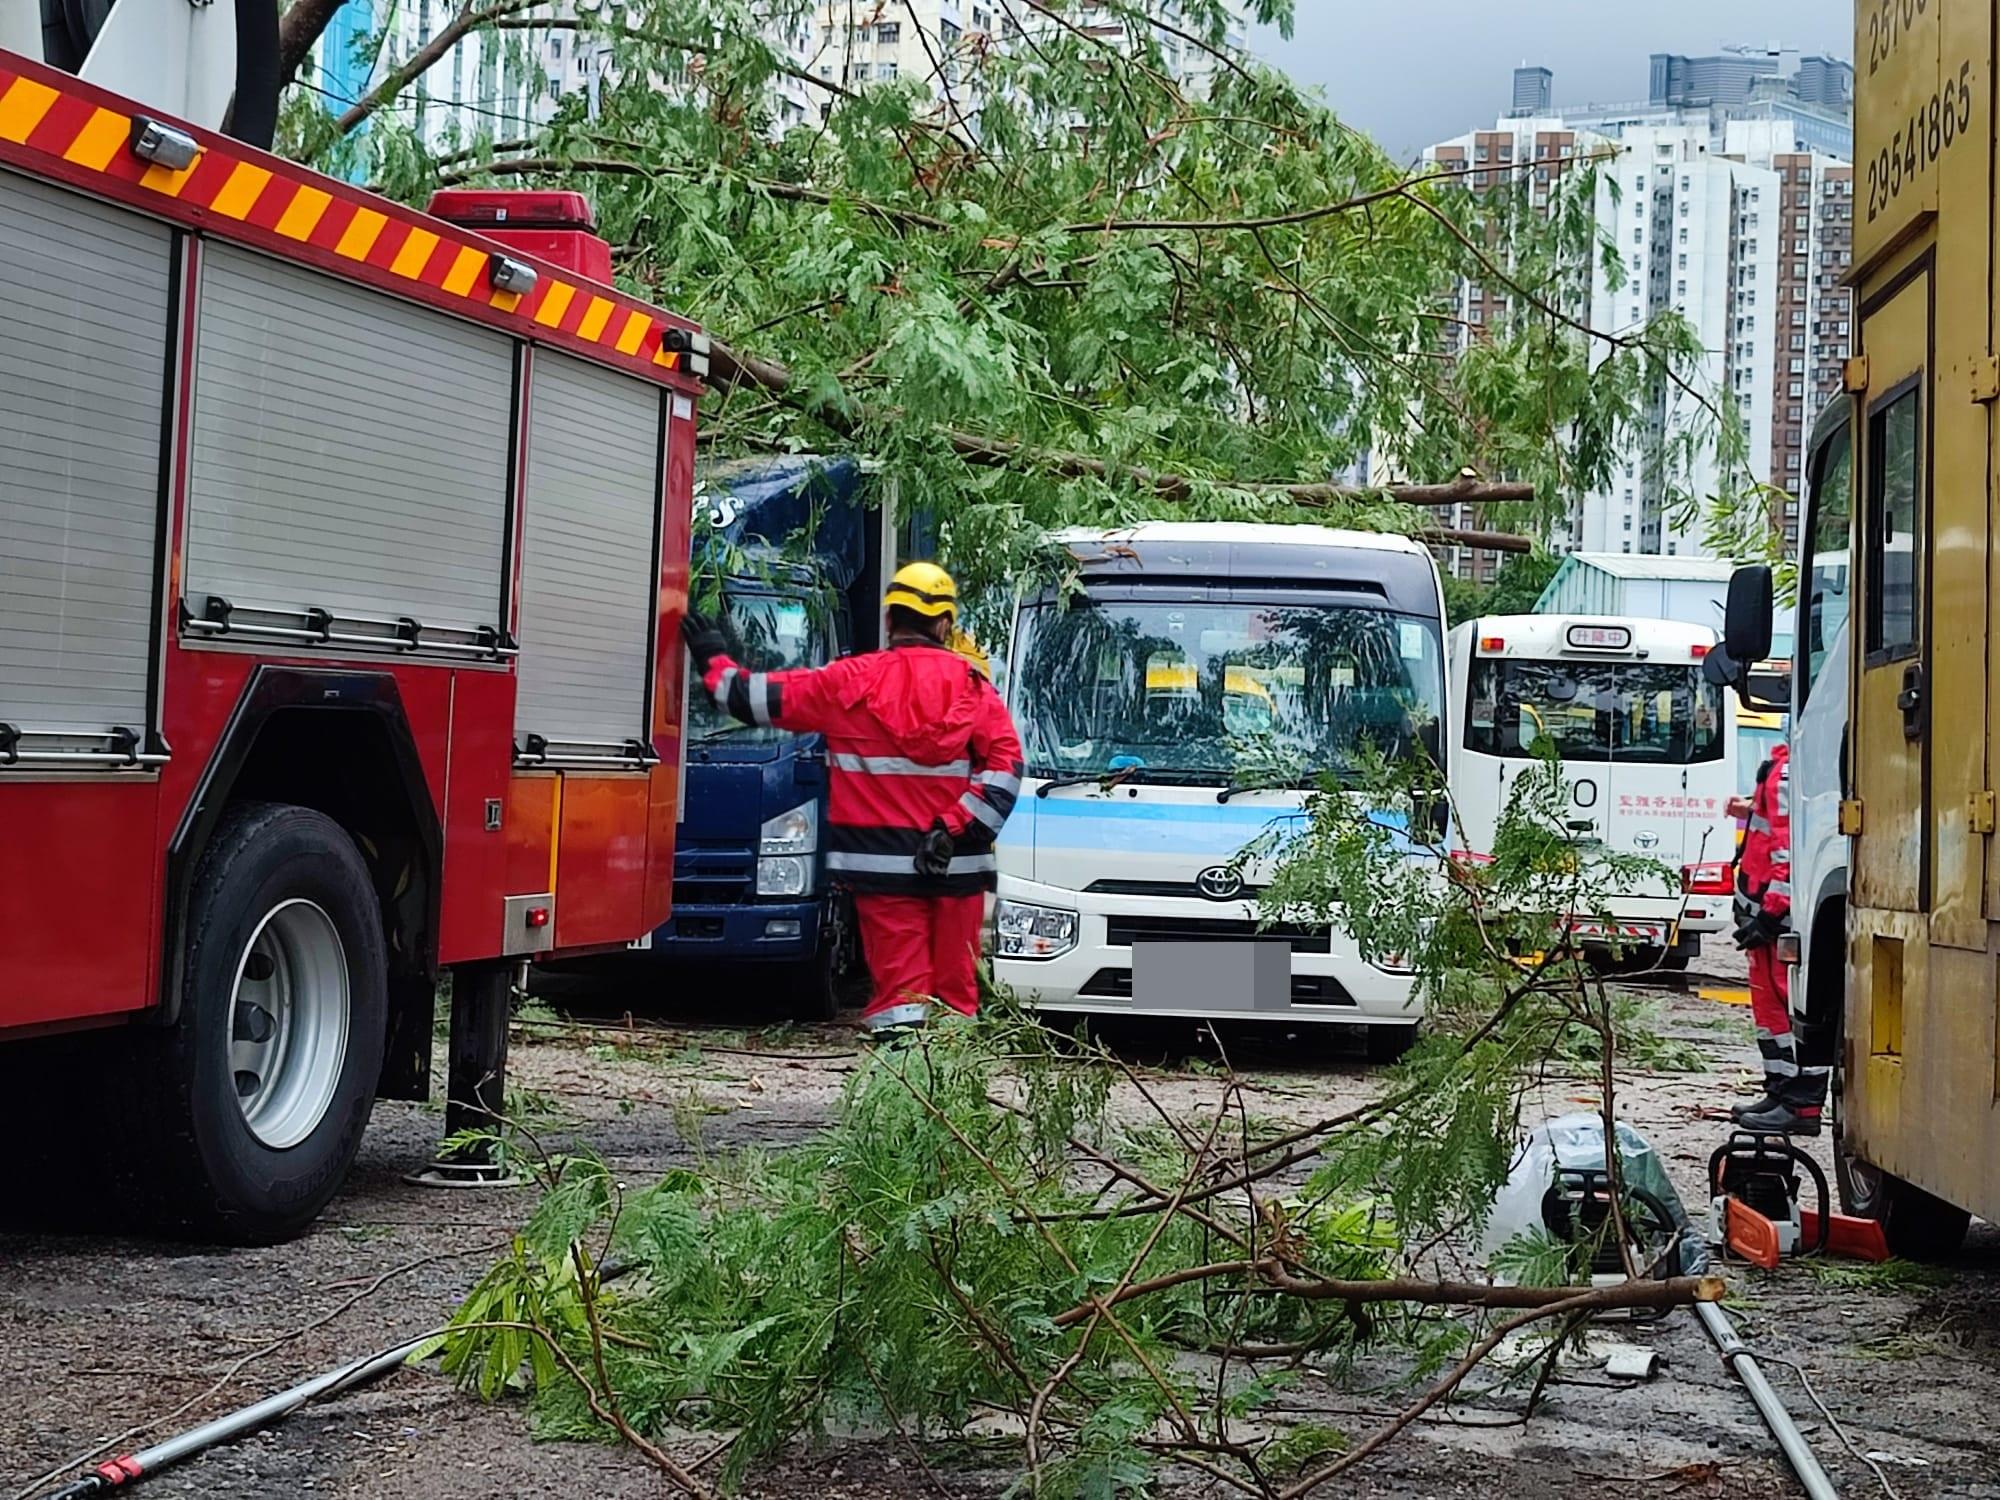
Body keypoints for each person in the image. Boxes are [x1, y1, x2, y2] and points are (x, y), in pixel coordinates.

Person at [682, 562, 1024, 1035]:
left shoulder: (846, 682)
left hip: (882, 871)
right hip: (956, 870)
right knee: (955, 998)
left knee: (902, 996)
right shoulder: (974, 690)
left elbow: (746, 698)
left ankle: (903, 1093)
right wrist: (954, 826)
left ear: (890, 621)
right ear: (945, 623)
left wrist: (712, 656)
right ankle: (951, 1095)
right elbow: (1006, 769)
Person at [1731, 742, 1826, 1134]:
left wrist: (1772, 914)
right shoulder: (1782, 767)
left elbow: (1786, 850)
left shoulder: (1787, 772)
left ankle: (1801, 1102)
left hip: (1776, 917)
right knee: (1771, 1014)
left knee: (1793, 1008)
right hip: (1764, 913)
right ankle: (1781, 1090)